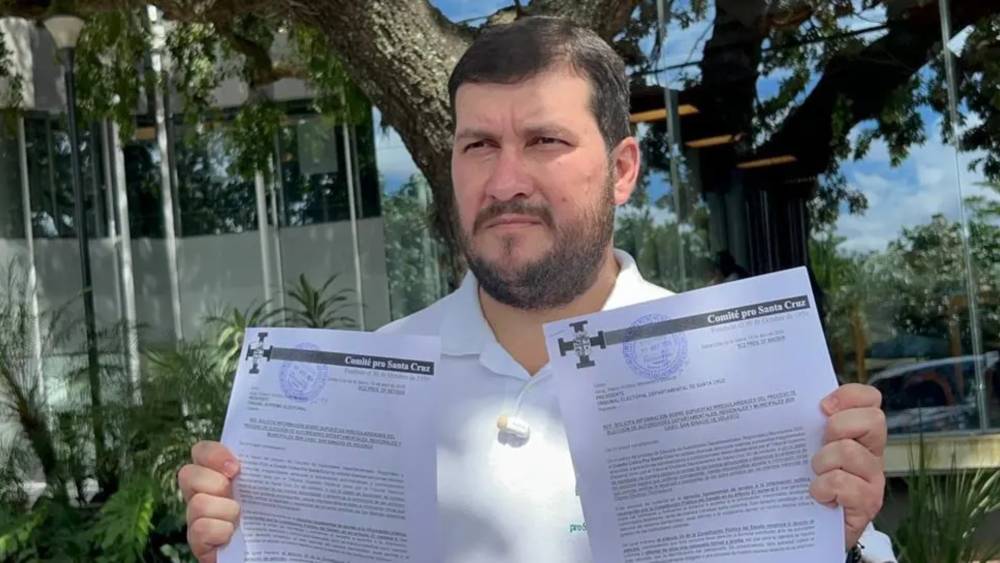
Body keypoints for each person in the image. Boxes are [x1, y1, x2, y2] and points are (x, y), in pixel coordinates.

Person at [178, 17, 895, 563]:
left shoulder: (737, 379)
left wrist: (843, 540)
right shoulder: (366, 388)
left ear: (622, 171)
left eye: (545, 141)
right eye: (479, 145)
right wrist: (244, 549)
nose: (505, 181)